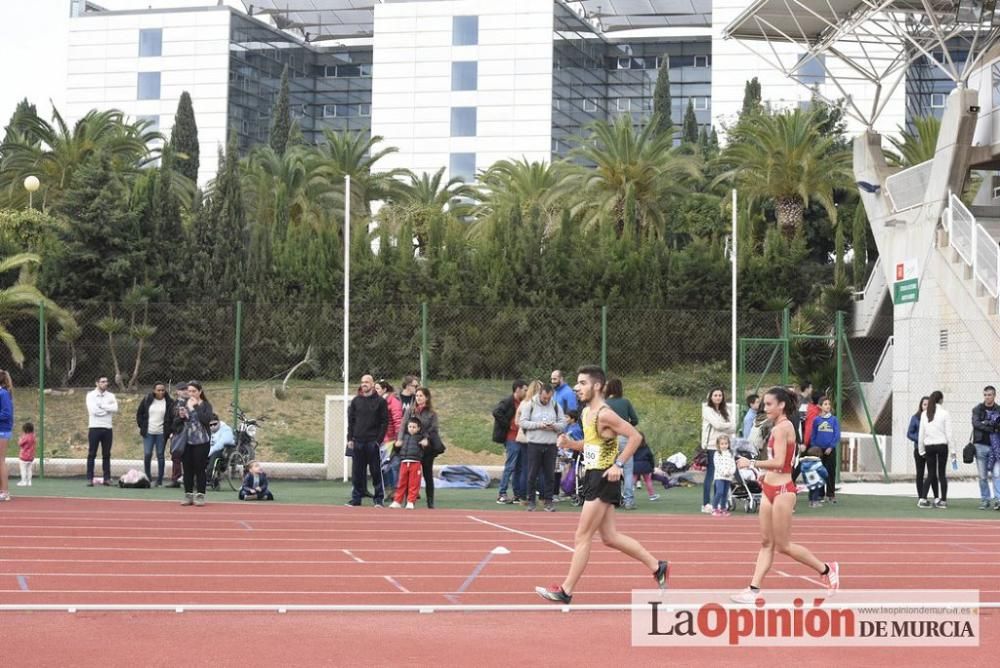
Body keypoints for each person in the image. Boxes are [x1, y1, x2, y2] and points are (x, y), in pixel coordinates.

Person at [536, 366, 670, 604]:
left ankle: (566, 590)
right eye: (577, 383)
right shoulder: (587, 412)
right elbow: (591, 444)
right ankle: (657, 565)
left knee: (582, 535)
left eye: (582, 383)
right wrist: (570, 444)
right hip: (593, 475)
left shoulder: (605, 414)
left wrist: (618, 464)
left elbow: (636, 437)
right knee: (609, 537)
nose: (577, 387)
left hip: (603, 477)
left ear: (597, 386)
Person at [731, 386, 839, 604]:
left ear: (781, 405)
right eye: (765, 404)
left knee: (783, 546)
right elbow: (780, 462)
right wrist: (762, 474)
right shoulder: (778, 427)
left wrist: (750, 463)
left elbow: (780, 463)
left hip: (783, 492)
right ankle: (753, 590)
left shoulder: (784, 427)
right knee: (766, 543)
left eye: (769, 404)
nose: (765, 408)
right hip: (769, 489)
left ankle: (827, 569)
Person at [518, 383, 567, 512]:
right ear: (540, 394)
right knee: (532, 474)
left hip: (551, 445)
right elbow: (522, 422)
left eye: (549, 398)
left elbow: (563, 423)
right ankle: (531, 501)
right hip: (534, 444)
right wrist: (538, 425)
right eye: (544, 398)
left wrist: (554, 426)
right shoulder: (530, 405)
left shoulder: (556, 406)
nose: (546, 400)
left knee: (550, 475)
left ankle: (548, 501)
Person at [346, 374, 389, 507]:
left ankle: (378, 499)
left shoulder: (380, 402)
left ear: (372, 384)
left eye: (367, 382)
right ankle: (356, 499)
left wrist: (378, 440)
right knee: (357, 472)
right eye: (362, 382)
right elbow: (351, 421)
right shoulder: (356, 401)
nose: (364, 384)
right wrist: (350, 438)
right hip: (358, 441)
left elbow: (384, 422)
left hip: (372, 442)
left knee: (376, 471)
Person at [401, 387, 443, 509]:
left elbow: (434, 428)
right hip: (412, 447)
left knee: (427, 474)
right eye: (417, 396)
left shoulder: (432, 413)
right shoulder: (411, 410)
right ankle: (409, 501)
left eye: (421, 396)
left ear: (427, 397)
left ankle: (430, 501)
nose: (418, 398)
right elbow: (404, 425)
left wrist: (426, 438)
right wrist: (400, 439)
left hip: (427, 448)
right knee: (409, 475)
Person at [492, 379, 528, 505]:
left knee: (519, 467)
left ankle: (517, 494)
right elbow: (496, 412)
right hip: (511, 438)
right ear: (517, 389)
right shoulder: (508, 401)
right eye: (524, 389)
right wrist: (509, 425)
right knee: (510, 466)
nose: (526, 392)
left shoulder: (525, 402)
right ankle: (502, 493)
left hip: (521, 438)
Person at [606, 378, 639, 510]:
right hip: (625, 438)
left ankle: (612, 498)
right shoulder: (625, 402)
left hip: (609, 439)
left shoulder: (605, 403)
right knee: (628, 470)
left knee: (610, 468)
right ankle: (628, 500)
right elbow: (635, 419)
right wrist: (626, 427)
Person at [701, 386, 735, 513]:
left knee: (722, 475)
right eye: (715, 395)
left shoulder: (726, 409)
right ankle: (706, 503)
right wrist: (727, 426)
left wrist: (725, 426)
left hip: (725, 445)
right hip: (711, 445)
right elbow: (717, 425)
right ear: (711, 397)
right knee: (711, 474)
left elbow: (734, 426)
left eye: (720, 395)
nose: (718, 397)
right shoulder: (707, 410)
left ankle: (720, 503)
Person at [917, 390, 954, 509]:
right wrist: (953, 450)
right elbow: (949, 434)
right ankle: (942, 500)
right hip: (942, 445)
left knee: (931, 473)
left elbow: (921, 434)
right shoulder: (945, 413)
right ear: (941, 400)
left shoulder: (925, 414)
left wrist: (921, 450)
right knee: (942, 474)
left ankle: (922, 499)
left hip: (929, 446)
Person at [179, 381, 213, 507]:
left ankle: (200, 494)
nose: (191, 393)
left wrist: (195, 407)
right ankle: (188, 494)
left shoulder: (206, 405)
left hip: (201, 441)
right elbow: (177, 421)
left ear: (200, 391)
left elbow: (206, 419)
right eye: (189, 391)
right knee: (187, 469)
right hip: (186, 441)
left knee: (200, 469)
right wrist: (181, 416)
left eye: (194, 391)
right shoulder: (183, 403)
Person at [86, 376, 118, 486]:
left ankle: (107, 478)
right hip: (94, 427)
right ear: (97, 383)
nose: (105, 383)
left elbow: (115, 408)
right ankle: (90, 478)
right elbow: (94, 411)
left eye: (106, 381)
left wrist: (102, 406)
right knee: (92, 454)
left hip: (107, 428)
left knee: (106, 454)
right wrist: (107, 409)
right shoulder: (90, 395)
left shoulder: (111, 396)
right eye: (102, 382)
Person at [136, 381, 169, 487]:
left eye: (163, 390)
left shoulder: (169, 402)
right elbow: (139, 414)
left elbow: (171, 417)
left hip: (161, 433)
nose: (161, 392)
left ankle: (159, 480)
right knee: (147, 454)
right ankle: (148, 477)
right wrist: (142, 426)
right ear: (154, 390)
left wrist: (168, 430)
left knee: (160, 455)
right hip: (149, 432)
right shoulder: (147, 400)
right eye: (158, 390)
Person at [390, 417, 428, 509]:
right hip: (404, 462)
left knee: (413, 483)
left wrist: (426, 443)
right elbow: (397, 449)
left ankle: (410, 501)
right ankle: (397, 501)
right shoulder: (403, 437)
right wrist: (396, 445)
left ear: (418, 428)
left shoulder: (421, 437)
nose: (411, 428)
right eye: (410, 426)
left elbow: (426, 447)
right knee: (401, 483)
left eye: (414, 427)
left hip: (415, 463)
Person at [971, 386, 999, 510]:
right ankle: (985, 500)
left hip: (996, 447)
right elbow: (976, 424)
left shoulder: (998, 409)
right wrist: (991, 427)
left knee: (997, 475)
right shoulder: (977, 409)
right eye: (985, 395)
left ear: (994, 395)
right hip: (980, 446)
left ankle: (998, 499)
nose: (987, 397)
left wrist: (986, 423)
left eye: (990, 395)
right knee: (982, 476)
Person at [810, 396, 840, 503]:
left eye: (829, 404)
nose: (828, 406)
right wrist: (815, 447)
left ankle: (831, 494)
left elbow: (836, 435)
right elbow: (813, 435)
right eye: (825, 404)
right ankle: (820, 494)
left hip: (830, 450)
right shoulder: (816, 420)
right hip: (819, 450)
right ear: (820, 406)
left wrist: (831, 447)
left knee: (830, 472)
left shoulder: (834, 420)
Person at [376, 379, 403, 491]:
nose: (375, 391)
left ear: (384, 389)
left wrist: (398, 438)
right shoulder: (378, 401)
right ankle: (387, 489)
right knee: (382, 466)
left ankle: (395, 490)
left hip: (390, 439)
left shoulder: (393, 401)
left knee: (391, 466)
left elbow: (397, 420)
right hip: (380, 438)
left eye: (377, 388)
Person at [907, 396, 930, 502]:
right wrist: (920, 439)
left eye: (929, 404)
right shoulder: (915, 418)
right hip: (918, 449)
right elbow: (909, 433)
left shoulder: (934, 418)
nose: (926, 407)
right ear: (921, 405)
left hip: (931, 450)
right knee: (920, 473)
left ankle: (928, 495)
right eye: (924, 404)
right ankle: (921, 497)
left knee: (931, 474)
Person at [166, 383, 188, 487]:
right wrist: (170, 432)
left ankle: (188, 479)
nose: (185, 391)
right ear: (177, 391)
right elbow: (169, 419)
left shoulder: (192, 403)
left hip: (189, 434)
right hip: (177, 433)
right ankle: (175, 479)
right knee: (175, 456)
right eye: (182, 389)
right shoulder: (173, 404)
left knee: (188, 457)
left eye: (186, 389)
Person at [712, 434, 736, 516]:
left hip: (728, 477)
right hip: (719, 477)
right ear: (718, 445)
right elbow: (717, 465)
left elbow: (733, 464)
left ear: (728, 444)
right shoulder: (717, 453)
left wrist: (731, 472)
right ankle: (714, 508)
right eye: (722, 444)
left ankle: (723, 508)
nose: (724, 445)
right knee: (719, 492)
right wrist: (724, 472)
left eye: (726, 443)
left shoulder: (730, 453)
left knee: (725, 494)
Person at [207, 414, 235, 481]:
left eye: (215, 424)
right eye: (210, 425)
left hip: (223, 451)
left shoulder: (226, 430)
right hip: (210, 449)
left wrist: (209, 452)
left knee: (214, 455)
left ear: (219, 422)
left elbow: (220, 444)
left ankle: (208, 477)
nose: (213, 426)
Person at [631, 435, 659, 502]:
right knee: (648, 481)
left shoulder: (632, 445)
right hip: (645, 465)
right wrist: (652, 466)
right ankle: (652, 496)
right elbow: (650, 456)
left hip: (635, 465)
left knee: (632, 481)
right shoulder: (645, 446)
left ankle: (627, 495)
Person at [0, 370, 12, 501]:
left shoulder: (3, 394)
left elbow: (6, 413)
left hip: (2, 430)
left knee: (0, 460)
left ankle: (5, 492)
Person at [17, 422, 35, 487]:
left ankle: (23, 481)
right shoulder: (33, 436)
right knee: (29, 469)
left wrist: (20, 439)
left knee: (23, 469)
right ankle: (29, 482)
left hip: (24, 456)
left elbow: (20, 444)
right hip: (31, 456)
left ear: (25, 430)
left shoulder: (25, 437)